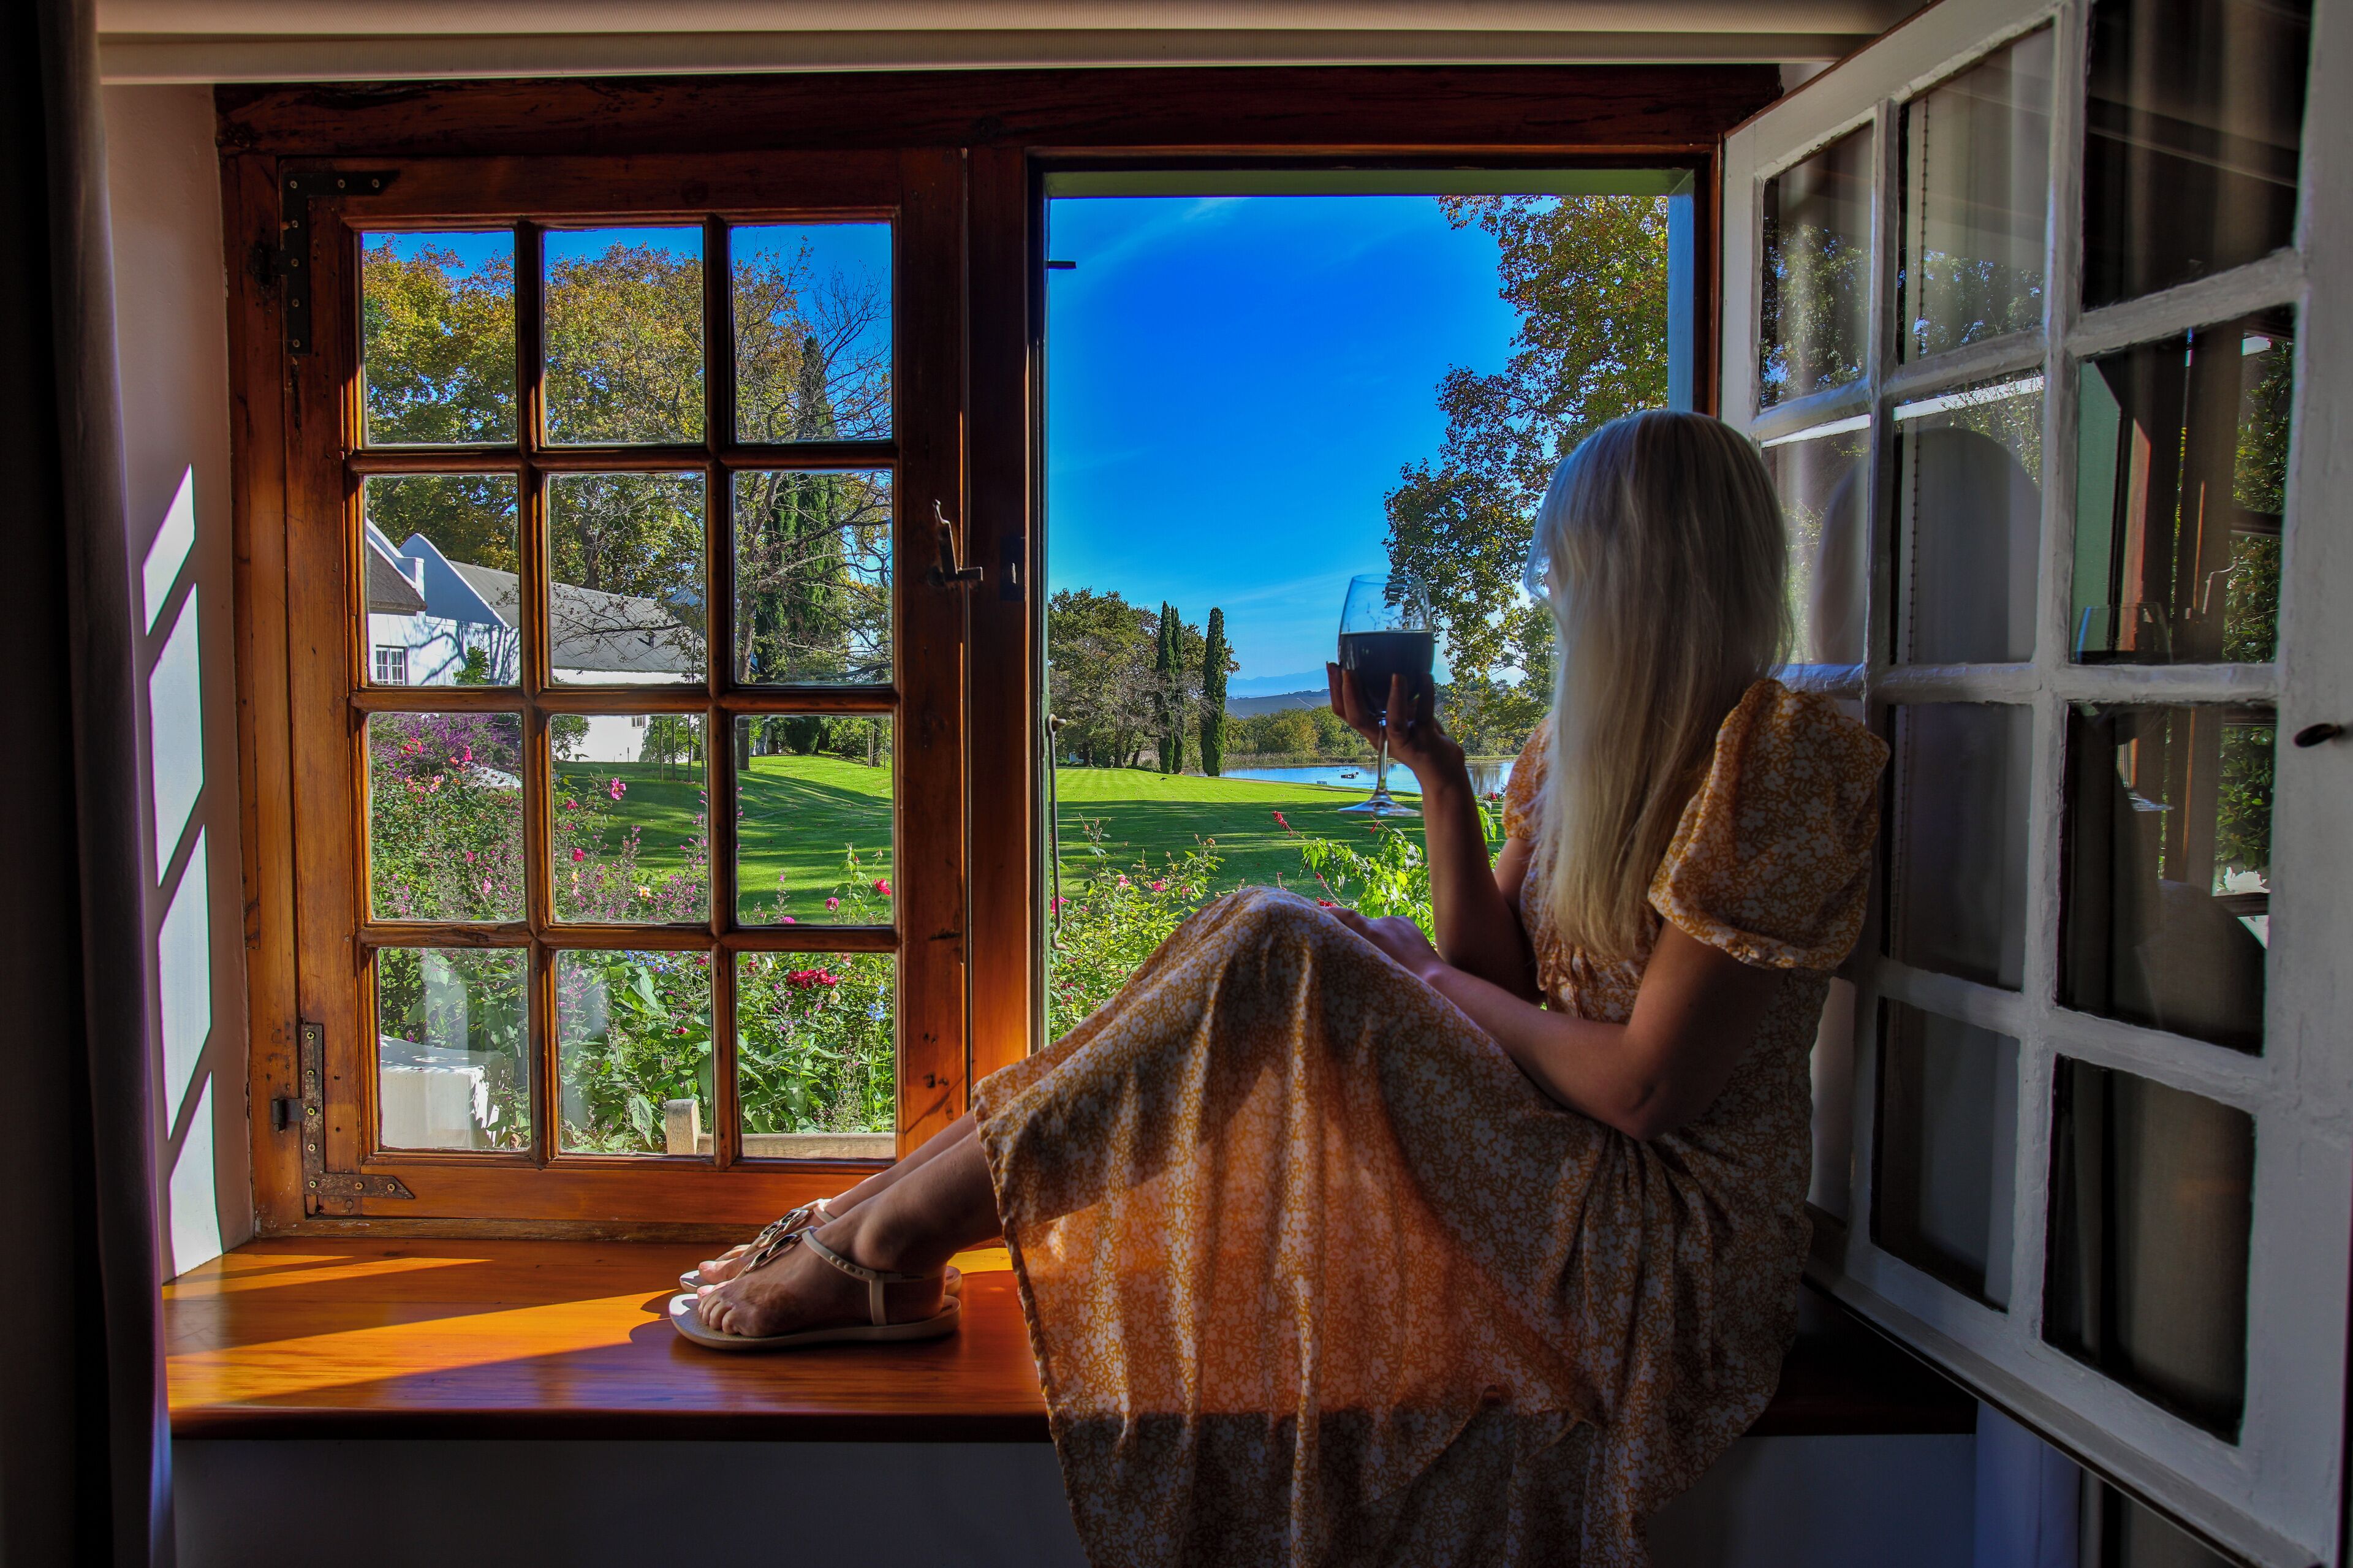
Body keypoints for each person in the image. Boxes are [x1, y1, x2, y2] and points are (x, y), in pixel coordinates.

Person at [675, 409, 1888, 1566]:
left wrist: (1414, 973)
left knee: (1275, 944)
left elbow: (1643, 1087)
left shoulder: (1780, 761)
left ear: (1637, 576)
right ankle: (875, 1219)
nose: (1551, 588)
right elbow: (1496, 975)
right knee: (1256, 922)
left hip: (1658, 1258)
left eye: (1566, 562)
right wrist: (1440, 781)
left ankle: (887, 1239)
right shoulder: (1573, 751)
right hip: (1558, 1163)